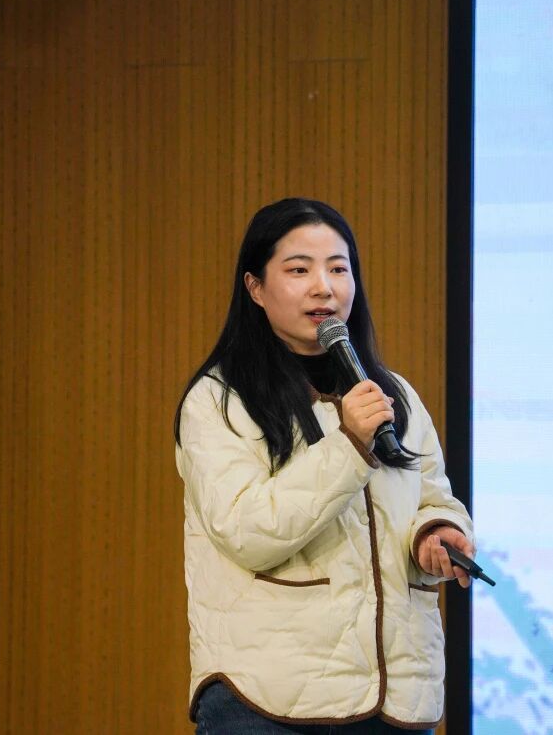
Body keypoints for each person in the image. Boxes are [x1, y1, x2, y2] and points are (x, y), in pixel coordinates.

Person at [173, 198, 476, 733]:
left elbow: (431, 493)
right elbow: (246, 530)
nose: (324, 287)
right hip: (266, 702)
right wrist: (349, 444)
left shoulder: (393, 393)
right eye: (299, 270)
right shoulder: (219, 400)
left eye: (339, 269)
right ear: (255, 288)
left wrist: (437, 532)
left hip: (395, 698)